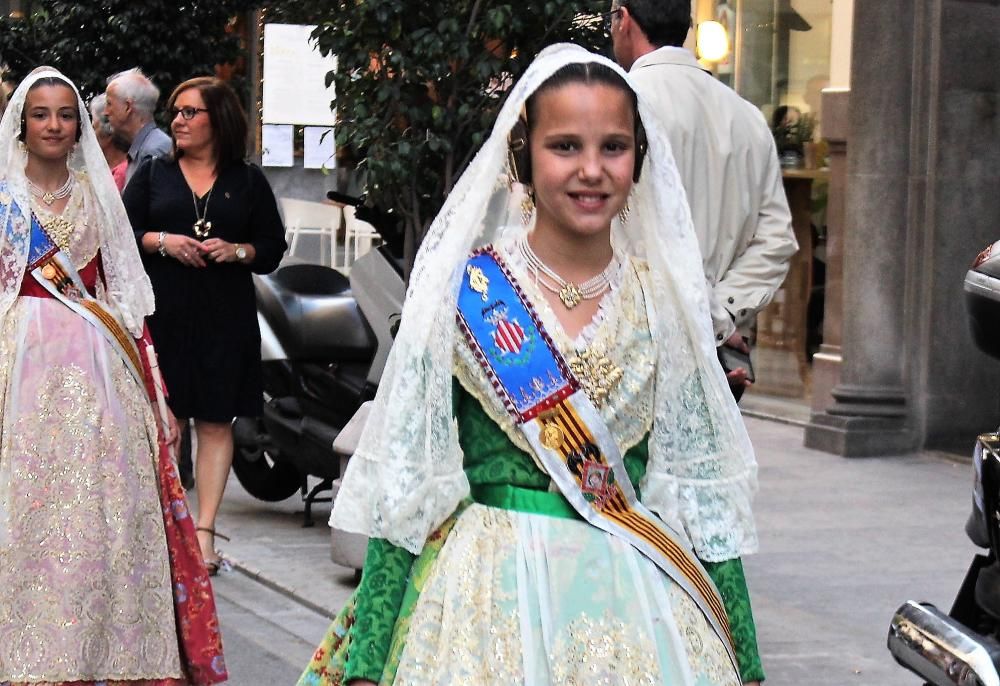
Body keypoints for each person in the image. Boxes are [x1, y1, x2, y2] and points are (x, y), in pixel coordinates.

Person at [298, 44, 763, 685]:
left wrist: (748, 661)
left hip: (637, 604)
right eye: (565, 146)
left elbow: (703, 500)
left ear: (639, 161)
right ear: (524, 153)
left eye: (614, 147)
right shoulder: (465, 293)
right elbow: (406, 488)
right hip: (482, 603)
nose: (592, 170)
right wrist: (368, 663)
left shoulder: (666, 306)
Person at [0, 67, 227, 685]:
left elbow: (125, 294)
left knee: (104, 516)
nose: (53, 125)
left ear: (81, 124)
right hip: (18, 365)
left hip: (98, 369)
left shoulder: (96, 194)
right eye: (41, 114)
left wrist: (154, 391)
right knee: (26, 511)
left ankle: (102, 647)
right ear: (22, 124)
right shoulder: (4, 197)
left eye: (65, 114)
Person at [123, 76, 286, 575]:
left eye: (190, 112)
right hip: (163, 316)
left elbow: (271, 250)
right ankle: (159, 532)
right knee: (163, 426)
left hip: (225, 319)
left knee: (216, 422)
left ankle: (205, 532)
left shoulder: (247, 180)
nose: (178, 121)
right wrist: (162, 242)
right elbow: (121, 236)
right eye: (175, 112)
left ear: (219, 119)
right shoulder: (153, 173)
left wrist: (237, 251)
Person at [610, 0, 797, 400]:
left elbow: (618, 234)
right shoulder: (747, 116)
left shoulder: (618, 105)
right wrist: (722, 311)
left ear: (623, 20)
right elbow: (777, 240)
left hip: (627, 347)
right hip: (716, 350)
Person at [105, 67, 172, 184]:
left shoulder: (154, 153)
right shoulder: (145, 150)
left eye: (109, 103)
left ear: (128, 107)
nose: (106, 112)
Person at [89, 92, 129, 190]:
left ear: (109, 129)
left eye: (93, 127)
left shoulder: (121, 175)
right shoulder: (103, 172)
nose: (90, 135)